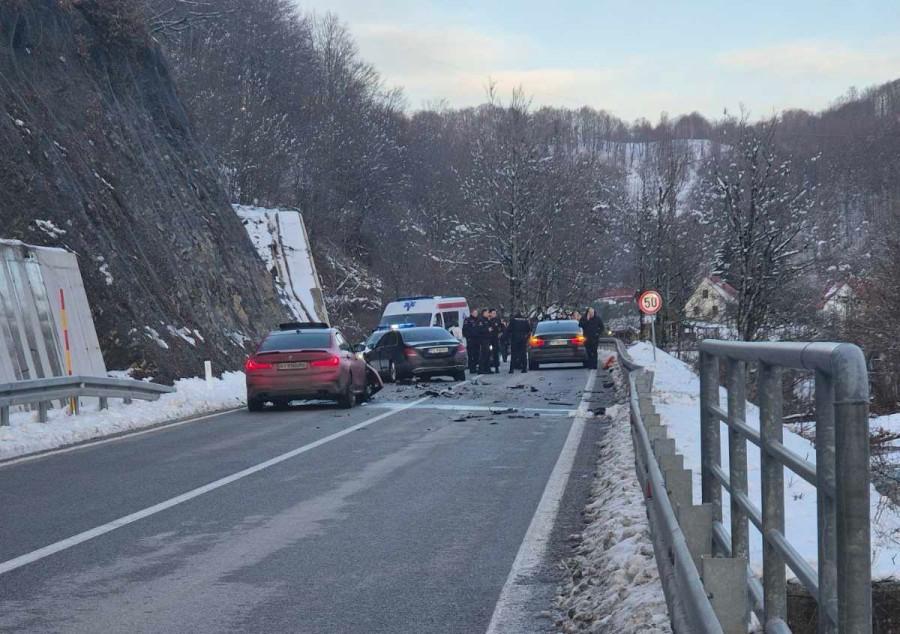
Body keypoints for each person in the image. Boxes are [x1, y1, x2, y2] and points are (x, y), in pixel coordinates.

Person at [462, 308, 481, 375]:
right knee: (471, 355)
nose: (476, 314)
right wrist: (468, 337)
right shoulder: (468, 320)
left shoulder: (478, 320)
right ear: (471, 313)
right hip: (471, 340)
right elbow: (465, 330)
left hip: (477, 340)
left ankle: (476, 366)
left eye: (476, 313)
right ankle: (472, 368)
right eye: (475, 313)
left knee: (477, 354)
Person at [476, 309, 494, 374]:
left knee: (488, 354)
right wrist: (487, 329)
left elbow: (492, 327)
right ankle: (481, 369)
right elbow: (479, 330)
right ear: (483, 313)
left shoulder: (487, 320)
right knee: (484, 354)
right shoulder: (480, 320)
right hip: (483, 340)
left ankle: (487, 369)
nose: (488, 314)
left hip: (488, 339)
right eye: (487, 313)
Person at [489, 308, 502, 373]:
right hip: (488, 339)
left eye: (495, 313)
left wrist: (500, 333)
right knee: (488, 353)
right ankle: (488, 367)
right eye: (493, 313)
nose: (494, 314)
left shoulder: (497, 320)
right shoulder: (488, 320)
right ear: (490, 313)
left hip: (495, 339)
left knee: (496, 353)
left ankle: (497, 367)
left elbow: (500, 328)